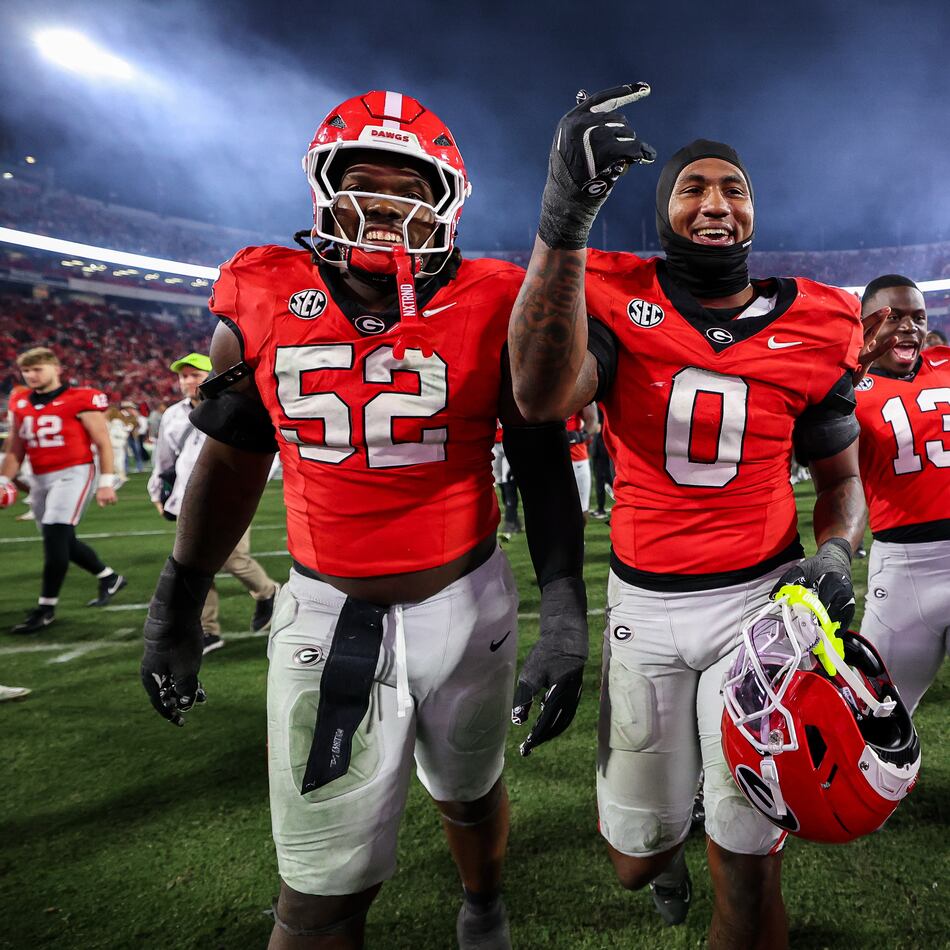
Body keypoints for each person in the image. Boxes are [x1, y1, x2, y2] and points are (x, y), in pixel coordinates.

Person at [140, 91, 587, 950]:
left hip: (468, 600)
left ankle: (484, 903)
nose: (385, 203)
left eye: (409, 186)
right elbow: (233, 458)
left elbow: (540, 465)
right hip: (325, 606)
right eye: (364, 180)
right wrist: (177, 597)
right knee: (316, 894)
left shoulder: (499, 297)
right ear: (321, 187)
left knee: (469, 787)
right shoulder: (264, 289)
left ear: (448, 200)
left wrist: (563, 606)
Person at [507, 85, 890, 946]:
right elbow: (537, 398)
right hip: (643, 606)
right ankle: (668, 834)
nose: (716, 202)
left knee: (749, 865)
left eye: (733, 188)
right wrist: (565, 221)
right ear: (662, 208)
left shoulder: (823, 319)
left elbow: (840, 477)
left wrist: (836, 551)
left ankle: (716, 825)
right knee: (637, 856)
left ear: (753, 209)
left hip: (758, 611)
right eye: (693, 188)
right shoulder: (610, 292)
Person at [856, 275, 950, 713]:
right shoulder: (844, 389)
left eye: (918, 317)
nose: (909, 327)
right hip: (906, 565)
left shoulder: (946, 363)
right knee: (878, 713)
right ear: (867, 323)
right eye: (894, 317)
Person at [147, 352, 280, 651]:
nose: (188, 381)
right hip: (188, 497)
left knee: (233, 558)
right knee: (193, 562)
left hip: (228, 492)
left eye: (195, 374)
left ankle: (268, 592)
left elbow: (264, 454)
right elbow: (164, 459)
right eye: (183, 376)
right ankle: (208, 629)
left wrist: (249, 485)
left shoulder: (232, 406)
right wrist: (158, 493)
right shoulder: (171, 415)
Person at [2, 347, 126, 634]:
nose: (32, 375)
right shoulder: (20, 402)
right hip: (40, 477)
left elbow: (103, 442)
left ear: (56, 369)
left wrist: (106, 482)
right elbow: (15, 450)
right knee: (60, 539)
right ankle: (109, 577)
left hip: (74, 472)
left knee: (55, 537)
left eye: (38, 369)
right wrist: (3, 480)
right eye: (27, 371)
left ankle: (46, 608)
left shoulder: (80, 398)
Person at [566, 403, 599, 521]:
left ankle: (579, 539)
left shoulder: (580, 387)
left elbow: (592, 420)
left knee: (582, 511)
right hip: (549, 459)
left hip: (577, 458)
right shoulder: (542, 390)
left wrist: (581, 436)